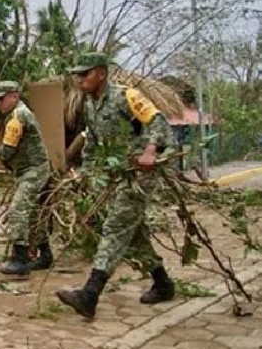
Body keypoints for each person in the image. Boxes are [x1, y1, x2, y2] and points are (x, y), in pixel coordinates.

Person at [56, 52, 178, 319]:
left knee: (115, 226)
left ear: (101, 72)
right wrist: (86, 175)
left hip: (139, 175)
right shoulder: (89, 104)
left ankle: (90, 294)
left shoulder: (128, 96)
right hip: (114, 174)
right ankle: (163, 283)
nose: (79, 79)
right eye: (77, 74)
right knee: (133, 233)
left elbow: (158, 122)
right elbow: (94, 143)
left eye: (84, 73)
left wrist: (150, 150)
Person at [0, 81, 53, 275]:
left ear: (14, 96)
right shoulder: (17, 115)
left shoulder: (18, 116)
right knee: (34, 214)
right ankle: (45, 255)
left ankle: (20, 259)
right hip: (33, 169)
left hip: (34, 170)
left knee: (18, 210)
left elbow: (7, 151)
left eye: (2, 99)